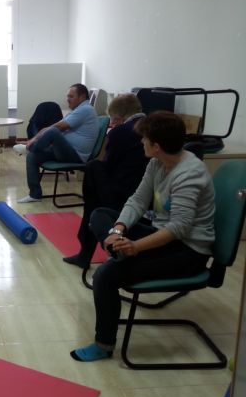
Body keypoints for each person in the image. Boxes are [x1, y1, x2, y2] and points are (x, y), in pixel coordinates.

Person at [70, 111, 215, 362]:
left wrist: (136, 246)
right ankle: (118, 251)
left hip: (187, 250)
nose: (141, 142)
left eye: (144, 139)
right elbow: (137, 200)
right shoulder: (157, 163)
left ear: (156, 146)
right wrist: (118, 230)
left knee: (105, 276)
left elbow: (178, 228)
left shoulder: (190, 174)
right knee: (101, 214)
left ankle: (104, 345)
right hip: (160, 234)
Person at [63, 93, 149, 269]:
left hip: (126, 194)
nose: (112, 123)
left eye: (113, 119)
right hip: (148, 192)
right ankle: (86, 249)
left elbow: (110, 166)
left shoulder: (121, 132)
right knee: (95, 177)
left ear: (119, 117)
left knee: (93, 170)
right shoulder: (152, 126)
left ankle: (86, 250)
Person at [17, 84, 99, 203]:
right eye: (67, 96)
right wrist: (32, 140)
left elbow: (58, 127)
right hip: (65, 152)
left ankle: (30, 148)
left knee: (53, 132)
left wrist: (32, 143)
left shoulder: (86, 109)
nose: (67, 99)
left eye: (71, 96)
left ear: (82, 97)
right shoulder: (77, 111)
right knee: (32, 156)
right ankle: (35, 195)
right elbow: (50, 127)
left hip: (76, 155)